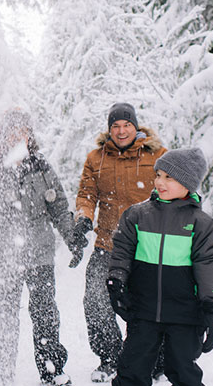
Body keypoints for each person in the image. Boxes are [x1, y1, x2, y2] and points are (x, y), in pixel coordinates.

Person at [0, 109, 76, 386]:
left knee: (45, 314)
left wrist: (72, 237)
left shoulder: (41, 167)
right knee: (4, 316)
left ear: (29, 135)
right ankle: (1, 376)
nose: (15, 136)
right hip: (4, 255)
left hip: (39, 253)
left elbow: (59, 207)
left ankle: (52, 372)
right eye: (10, 131)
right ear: (2, 135)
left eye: (21, 130)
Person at [107, 147, 213, 386]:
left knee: (184, 372)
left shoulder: (200, 223)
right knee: (131, 370)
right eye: (158, 175)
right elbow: (122, 252)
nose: (160, 182)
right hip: (143, 310)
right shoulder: (137, 215)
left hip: (185, 315)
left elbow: (209, 266)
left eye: (169, 177)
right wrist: (116, 281)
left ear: (187, 183)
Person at [68, 102, 167, 382]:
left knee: (146, 305)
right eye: (115, 126)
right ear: (109, 129)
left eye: (126, 125)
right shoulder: (96, 158)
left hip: (146, 246)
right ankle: (110, 357)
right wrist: (84, 217)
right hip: (107, 246)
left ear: (136, 126)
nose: (121, 131)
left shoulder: (157, 155)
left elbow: (173, 191)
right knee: (96, 301)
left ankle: (152, 361)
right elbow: (86, 195)